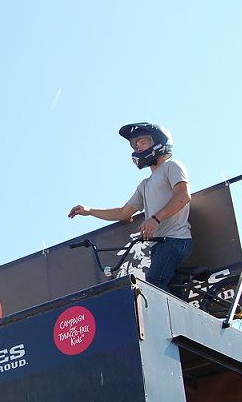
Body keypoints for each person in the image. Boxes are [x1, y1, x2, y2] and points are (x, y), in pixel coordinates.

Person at [68, 122, 192, 292]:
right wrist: (89, 211)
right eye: (136, 145)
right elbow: (123, 212)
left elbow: (183, 196)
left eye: (143, 142)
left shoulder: (171, 166)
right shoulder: (144, 185)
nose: (138, 148)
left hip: (176, 239)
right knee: (173, 293)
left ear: (159, 142)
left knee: (155, 285)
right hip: (159, 244)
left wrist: (155, 219)